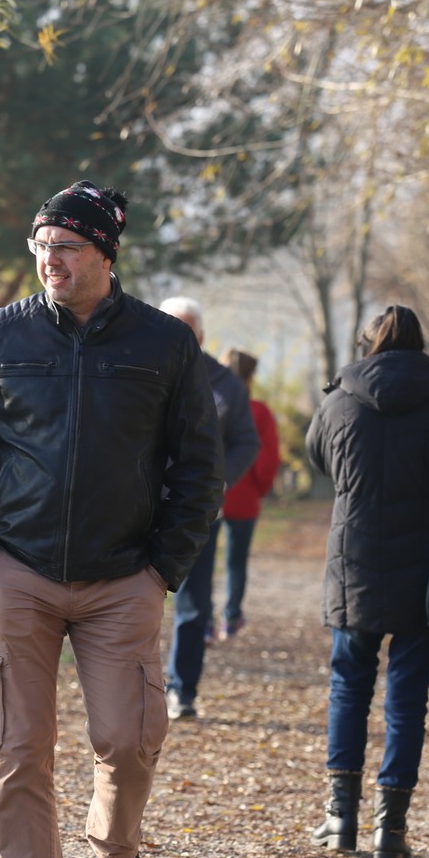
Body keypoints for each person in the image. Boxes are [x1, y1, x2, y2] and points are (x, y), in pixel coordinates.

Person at [0, 180, 222, 858]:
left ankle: (118, 847)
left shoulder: (164, 344)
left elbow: (201, 467)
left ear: (105, 254)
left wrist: (164, 567)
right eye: (41, 247)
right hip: (14, 574)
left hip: (124, 577)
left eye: (67, 247)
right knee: (19, 750)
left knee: (128, 740)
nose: (50, 261)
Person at [305, 305, 429, 858]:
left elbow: (320, 457)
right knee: (408, 700)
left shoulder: (338, 400)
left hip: (354, 563)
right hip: (426, 571)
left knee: (349, 687)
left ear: (369, 346)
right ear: (420, 347)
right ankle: (392, 829)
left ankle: (341, 818)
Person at [158, 298, 259, 720]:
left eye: (186, 330)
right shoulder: (138, 371)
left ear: (200, 335)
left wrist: (220, 482)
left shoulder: (224, 383)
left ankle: (183, 689)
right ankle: (133, 690)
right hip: (138, 507)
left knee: (194, 605)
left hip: (199, 511)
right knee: (127, 603)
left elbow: (247, 442)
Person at [218, 347, 281, 643]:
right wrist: (260, 489)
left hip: (211, 494)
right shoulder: (260, 411)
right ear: (251, 376)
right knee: (236, 561)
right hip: (243, 497)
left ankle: (201, 618)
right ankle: (230, 617)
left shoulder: (212, 403)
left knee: (200, 560)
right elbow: (267, 458)